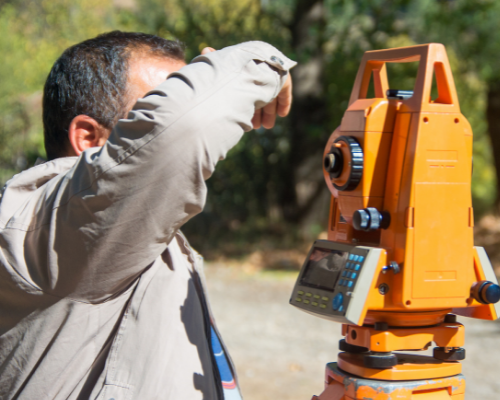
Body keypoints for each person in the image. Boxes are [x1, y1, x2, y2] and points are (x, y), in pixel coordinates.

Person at [0, 31, 295, 399]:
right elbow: (186, 128)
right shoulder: (63, 225)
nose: (188, 101)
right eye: (159, 105)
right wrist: (260, 64)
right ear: (90, 139)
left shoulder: (124, 237)